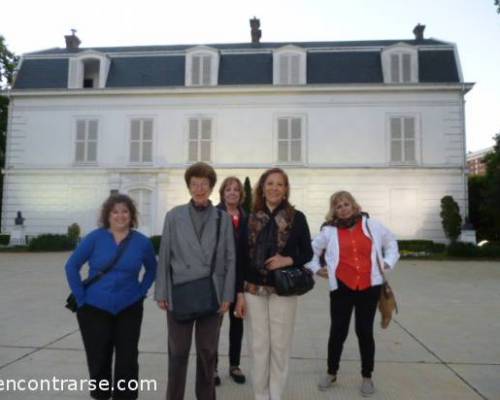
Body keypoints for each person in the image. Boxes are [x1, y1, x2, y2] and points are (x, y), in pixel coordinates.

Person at [155, 162, 236, 400]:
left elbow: (231, 259)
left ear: (211, 187)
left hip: (213, 292)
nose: (199, 188)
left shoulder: (223, 218)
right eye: (194, 183)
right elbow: (165, 255)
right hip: (180, 291)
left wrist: (228, 295)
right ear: (188, 186)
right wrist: (162, 292)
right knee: (178, 352)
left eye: (204, 184)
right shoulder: (174, 216)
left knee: (207, 352)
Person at [307, 190, 399, 397]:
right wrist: (315, 268)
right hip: (342, 287)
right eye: (338, 206)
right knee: (338, 332)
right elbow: (310, 250)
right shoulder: (329, 231)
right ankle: (331, 372)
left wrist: (387, 262)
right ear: (334, 211)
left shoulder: (371, 225)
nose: (343, 209)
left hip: (369, 286)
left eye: (346, 204)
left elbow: (391, 243)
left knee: (364, 332)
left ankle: (367, 376)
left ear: (354, 205)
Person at [65, 194, 157, 400]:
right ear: (107, 215)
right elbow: (71, 266)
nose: (120, 215)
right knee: (98, 358)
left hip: (129, 307)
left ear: (131, 215)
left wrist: (141, 292)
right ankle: (101, 395)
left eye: (125, 211)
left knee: (128, 359)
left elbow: (152, 269)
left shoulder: (142, 242)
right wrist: (80, 298)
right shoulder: (95, 238)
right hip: (94, 308)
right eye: (115, 211)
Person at [235, 168, 313, 400]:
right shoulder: (249, 218)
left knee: (280, 345)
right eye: (270, 184)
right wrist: (239, 293)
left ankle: (276, 394)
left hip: (283, 289)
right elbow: (240, 258)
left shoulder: (297, 218)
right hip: (253, 290)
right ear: (262, 188)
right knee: (258, 346)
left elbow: (307, 252)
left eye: (280, 184)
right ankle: (260, 395)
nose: (274, 188)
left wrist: (286, 259)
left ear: (286, 189)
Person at [214, 176, 248, 385]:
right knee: (214, 326)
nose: (232, 193)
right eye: (228, 189)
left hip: (240, 278)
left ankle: (234, 365)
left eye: (236, 190)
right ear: (223, 193)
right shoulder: (214, 215)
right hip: (218, 279)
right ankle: (212, 368)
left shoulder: (248, 217)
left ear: (241, 194)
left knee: (238, 324)